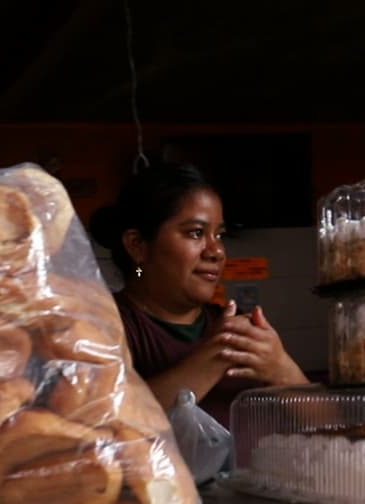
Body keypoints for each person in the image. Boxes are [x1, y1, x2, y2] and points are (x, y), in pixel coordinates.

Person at [89, 162, 308, 428]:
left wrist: (282, 369)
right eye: (195, 233)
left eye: (219, 235)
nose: (216, 251)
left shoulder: (239, 329)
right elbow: (104, 430)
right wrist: (215, 357)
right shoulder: (102, 327)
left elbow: (334, 427)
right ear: (137, 245)